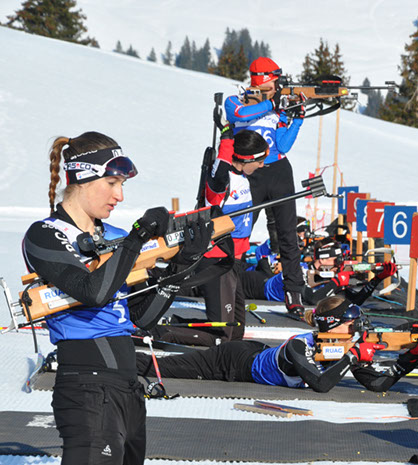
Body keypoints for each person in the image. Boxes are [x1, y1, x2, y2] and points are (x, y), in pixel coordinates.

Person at [0, 131, 212, 465]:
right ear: (82, 177)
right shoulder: (46, 235)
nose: (119, 195)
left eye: (122, 185)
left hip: (125, 388)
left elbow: (141, 319)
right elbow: (92, 291)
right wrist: (136, 239)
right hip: (87, 387)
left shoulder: (112, 237)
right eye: (112, 183)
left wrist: (179, 267)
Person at [136, 295, 418, 394]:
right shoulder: (299, 346)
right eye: (352, 324)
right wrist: (353, 358)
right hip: (230, 362)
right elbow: (321, 384)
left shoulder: (345, 347)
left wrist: (414, 355)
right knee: (161, 367)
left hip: (254, 352)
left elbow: (377, 384)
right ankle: (116, 355)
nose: (358, 329)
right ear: (333, 325)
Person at [151, 128, 269, 347]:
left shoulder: (241, 176)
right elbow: (219, 170)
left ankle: (173, 325)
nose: (262, 166)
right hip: (217, 259)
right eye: (260, 161)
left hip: (234, 259)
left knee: (236, 332)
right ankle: (161, 332)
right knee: (222, 336)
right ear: (246, 159)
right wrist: (226, 140)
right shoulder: (221, 181)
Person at [225, 57, 306, 320]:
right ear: (262, 80)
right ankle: (227, 285)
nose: (277, 86)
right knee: (239, 232)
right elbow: (239, 115)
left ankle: (293, 293)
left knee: (288, 235)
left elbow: (282, 146)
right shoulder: (236, 101)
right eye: (273, 81)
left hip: (279, 172)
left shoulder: (275, 108)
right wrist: (272, 104)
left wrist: (296, 119)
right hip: (250, 174)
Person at [241, 240, 397, 306]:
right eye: (337, 260)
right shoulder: (300, 271)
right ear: (322, 260)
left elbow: (356, 300)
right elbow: (313, 299)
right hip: (252, 284)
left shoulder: (325, 277)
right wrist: (337, 282)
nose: (340, 265)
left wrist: (378, 278)